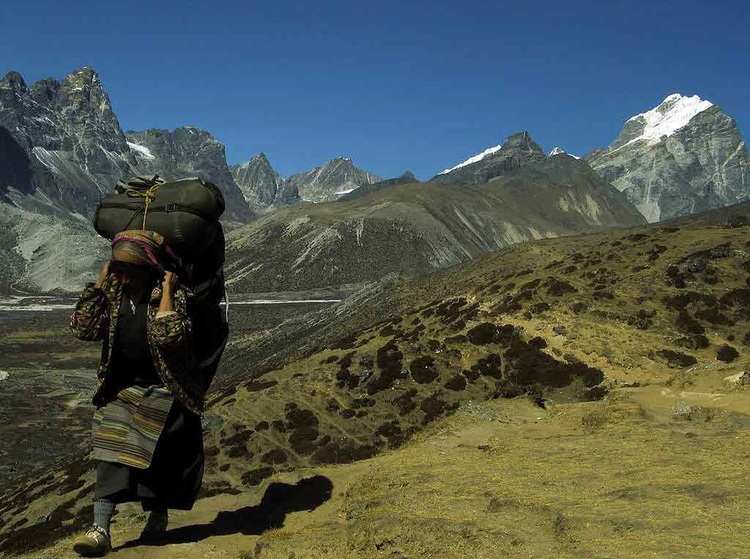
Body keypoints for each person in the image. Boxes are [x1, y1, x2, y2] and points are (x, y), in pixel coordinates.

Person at [69, 230, 205, 556]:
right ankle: (100, 529)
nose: (122, 275)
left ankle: (157, 516)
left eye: (129, 270)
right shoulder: (113, 292)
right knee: (109, 450)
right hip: (119, 386)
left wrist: (169, 293)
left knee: (153, 455)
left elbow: (168, 337)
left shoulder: (170, 293)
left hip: (162, 386)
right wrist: (99, 286)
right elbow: (83, 328)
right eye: (117, 268)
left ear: (149, 269)